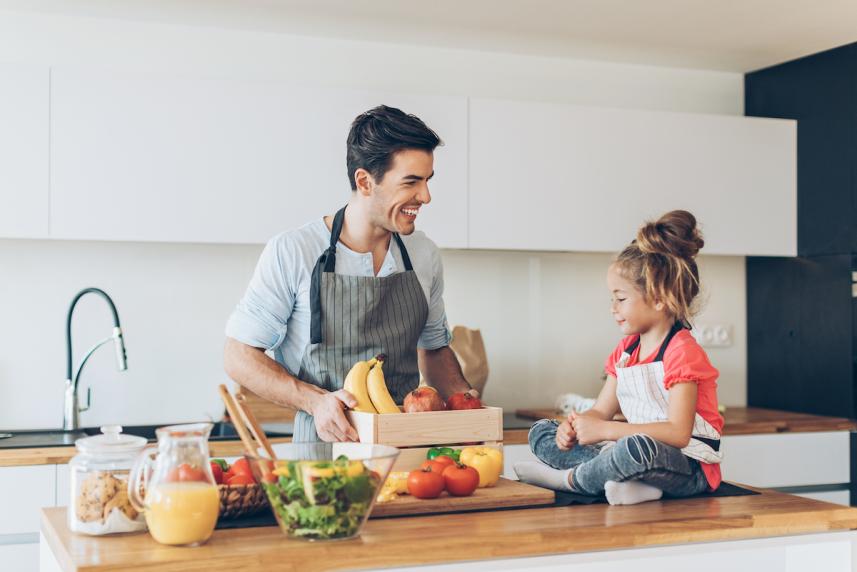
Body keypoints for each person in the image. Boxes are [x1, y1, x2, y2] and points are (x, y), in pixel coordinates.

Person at [223, 105, 475, 443]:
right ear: (364, 181)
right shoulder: (294, 251)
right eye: (411, 182)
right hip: (323, 454)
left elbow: (433, 349)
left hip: (408, 453)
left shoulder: (423, 253)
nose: (426, 196)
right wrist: (313, 400)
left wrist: (467, 407)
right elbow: (238, 356)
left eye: (428, 181)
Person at [515, 210, 723, 505]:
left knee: (635, 449)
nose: (613, 307)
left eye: (621, 298)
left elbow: (678, 434)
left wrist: (608, 430)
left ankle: (573, 480)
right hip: (631, 452)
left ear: (660, 297)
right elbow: (601, 410)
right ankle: (627, 483)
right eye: (611, 298)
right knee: (541, 432)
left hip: (687, 466)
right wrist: (573, 427)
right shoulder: (626, 351)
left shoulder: (682, 351)